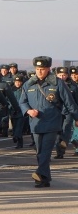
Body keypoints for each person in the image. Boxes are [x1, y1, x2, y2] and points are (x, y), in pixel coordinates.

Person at [18, 56, 78, 187]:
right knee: (39, 151)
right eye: (38, 69)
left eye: (43, 69)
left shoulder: (57, 83)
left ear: (48, 69)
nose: (40, 71)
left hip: (52, 123)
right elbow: (22, 102)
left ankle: (39, 174)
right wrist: (28, 110)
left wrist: (76, 118)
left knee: (45, 150)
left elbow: (69, 103)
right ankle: (45, 178)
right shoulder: (29, 84)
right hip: (35, 123)